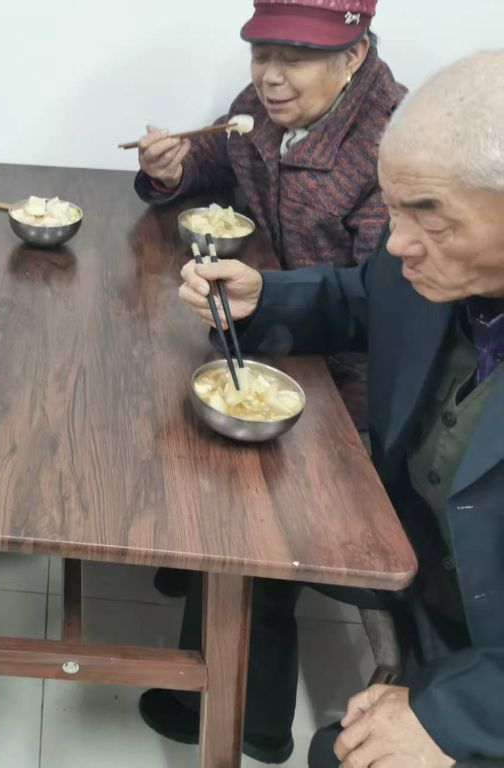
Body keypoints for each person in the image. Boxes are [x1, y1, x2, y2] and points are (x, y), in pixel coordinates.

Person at [176, 50, 504, 767]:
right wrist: (263, 298)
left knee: (341, 753)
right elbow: (363, 295)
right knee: (243, 521)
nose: (398, 242)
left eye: (429, 216)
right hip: (415, 558)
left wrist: (455, 718)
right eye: (392, 208)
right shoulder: (423, 260)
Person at [134, 0, 404, 431]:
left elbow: (378, 302)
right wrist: (173, 170)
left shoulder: (393, 147)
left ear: (354, 54)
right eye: (260, 55)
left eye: (294, 60)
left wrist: (268, 299)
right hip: (260, 324)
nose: (270, 78)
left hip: (338, 383)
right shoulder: (262, 107)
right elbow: (219, 153)